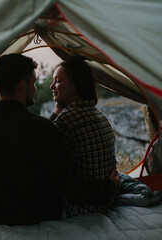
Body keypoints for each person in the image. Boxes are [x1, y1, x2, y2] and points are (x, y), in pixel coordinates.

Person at [0, 53, 118, 225]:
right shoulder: (42, 129)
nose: (37, 88)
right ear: (22, 86)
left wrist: (56, 113)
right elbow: (70, 185)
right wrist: (109, 186)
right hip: (33, 214)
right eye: (33, 83)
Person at [49, 59, 118, 217]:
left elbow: (43, 143)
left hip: (82, 207)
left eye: (58, 81)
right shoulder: (98, 114)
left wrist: (57, 115)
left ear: (76, 85)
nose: (52, 86)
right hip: (107, 201)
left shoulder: (66, 120)